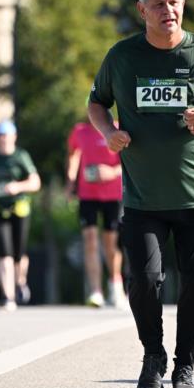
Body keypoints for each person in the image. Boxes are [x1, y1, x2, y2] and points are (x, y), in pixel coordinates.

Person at [88, 0, 194, 388]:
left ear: (183, 4)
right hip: (142, 196)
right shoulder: (122, 57)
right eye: (158, 3)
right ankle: (153, 355)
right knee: (144, 279)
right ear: (141, 10)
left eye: (173, 1)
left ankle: (185, 368)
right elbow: (96, 102)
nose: (167, 9)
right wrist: (107, 133)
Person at [0, 120, 41, 311]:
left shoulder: (21, 157)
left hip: (18, 209)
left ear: (14, 137)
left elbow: (35, 182)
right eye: (0, 136)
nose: (3, 140)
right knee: (5, 253)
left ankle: (20, 281)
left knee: (19, 255)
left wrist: (17, 187)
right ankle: (8, 297)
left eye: (6, 136)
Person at [66, 113, 127, 308]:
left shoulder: (117, 129)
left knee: (110, 244)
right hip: (87, 195)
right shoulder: (80, 131)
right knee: (90, 241)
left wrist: (110, 172)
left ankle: (115, 285)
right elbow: (73, 155)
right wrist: (70, 182)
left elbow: (129, 163)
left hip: (113, 195)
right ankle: (95, 291)